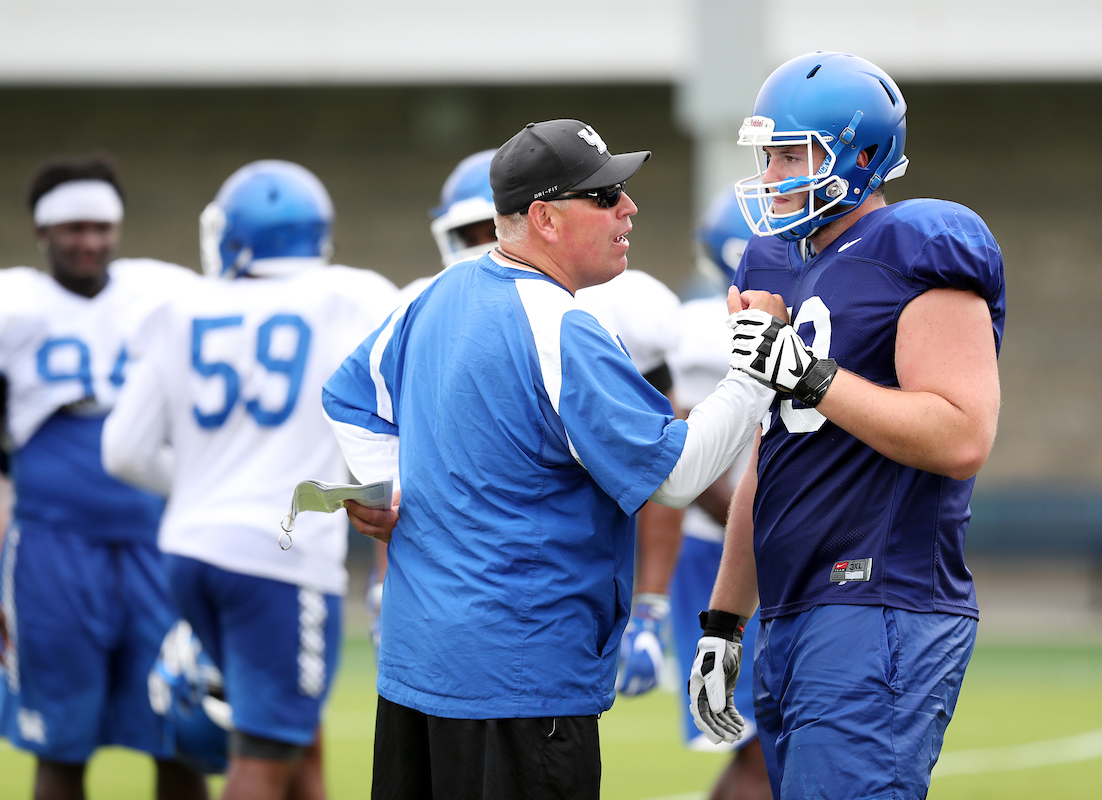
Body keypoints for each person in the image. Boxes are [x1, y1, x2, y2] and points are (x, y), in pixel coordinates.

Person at [322, 118, 782, 800]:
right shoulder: (562, 327)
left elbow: (347, 396)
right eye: (604, 196)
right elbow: (679, 475)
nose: (628, 209)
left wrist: (385, 487)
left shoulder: (430, 297)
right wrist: (754, 373)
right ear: (544, 217)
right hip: (521, 677)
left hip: (419, 666)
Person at [687, 52, 1005, 800]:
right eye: (767, 154)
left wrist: (808, 374)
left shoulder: (918, 244)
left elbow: (962, 436)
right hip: (794, 609)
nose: (772, 175)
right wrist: (725, 621)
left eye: (794, 153)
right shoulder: (772, 260)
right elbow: (771, 459)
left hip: (880, 602)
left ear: (864, 157)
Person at [101, 160, 400, 800]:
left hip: (188, 550)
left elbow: (124, 451)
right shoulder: (352, 296)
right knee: (264, 752)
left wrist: (204, 488)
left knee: (290, 728)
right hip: (279, 556)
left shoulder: (178, 308)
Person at [366, 149, 688, 680]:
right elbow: (398, 473)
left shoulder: (605, 305)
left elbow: (659, 460)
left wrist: (651, 604)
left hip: (552, 610)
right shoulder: (422, 310)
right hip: (470, 615)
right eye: (474, 232)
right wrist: (386, 589)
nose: (485, 248)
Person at [0, 155, 207, 800]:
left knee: (180, 732)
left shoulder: (160, 294)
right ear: (43, 234)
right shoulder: (14, 305)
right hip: (53, 550)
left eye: (100, 227)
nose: (88, 241)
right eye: (72, 229)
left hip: (157, 544)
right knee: (62, 742)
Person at [658, 188, 771, 800]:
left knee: (768, 744)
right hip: (719, 554)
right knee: (763, 747)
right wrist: (757, 523)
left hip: (724, 548)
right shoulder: (704, 326)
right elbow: (682, 456)